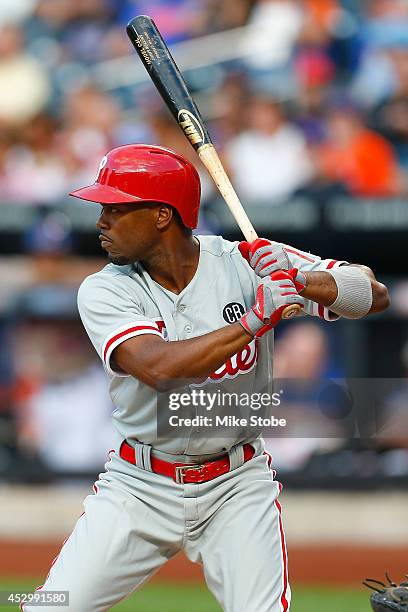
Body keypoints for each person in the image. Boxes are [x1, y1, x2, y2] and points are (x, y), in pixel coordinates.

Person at [24, 144, 390, 612]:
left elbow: (373, 295)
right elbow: (158, 368)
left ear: (161, 215)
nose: (101, 223)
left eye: (115, 209)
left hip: (236, 482)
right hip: (140, 484)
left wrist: (300, 282)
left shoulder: (243, 261)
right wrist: (254, 320)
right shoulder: (104, 288)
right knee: (51, 606)